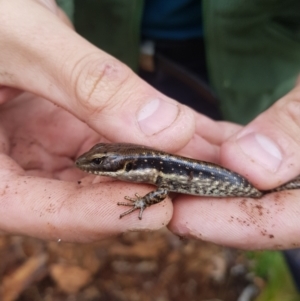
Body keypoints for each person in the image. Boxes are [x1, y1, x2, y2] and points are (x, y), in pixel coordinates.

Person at [1, 0, 300, 250]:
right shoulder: (153, 167)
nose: (91, 165)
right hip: (136, 57)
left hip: (256, 85)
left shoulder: (159, 174)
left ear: (128, 165)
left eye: (101, 162)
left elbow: (161, 191)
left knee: (278, 201)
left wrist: (143, 202)